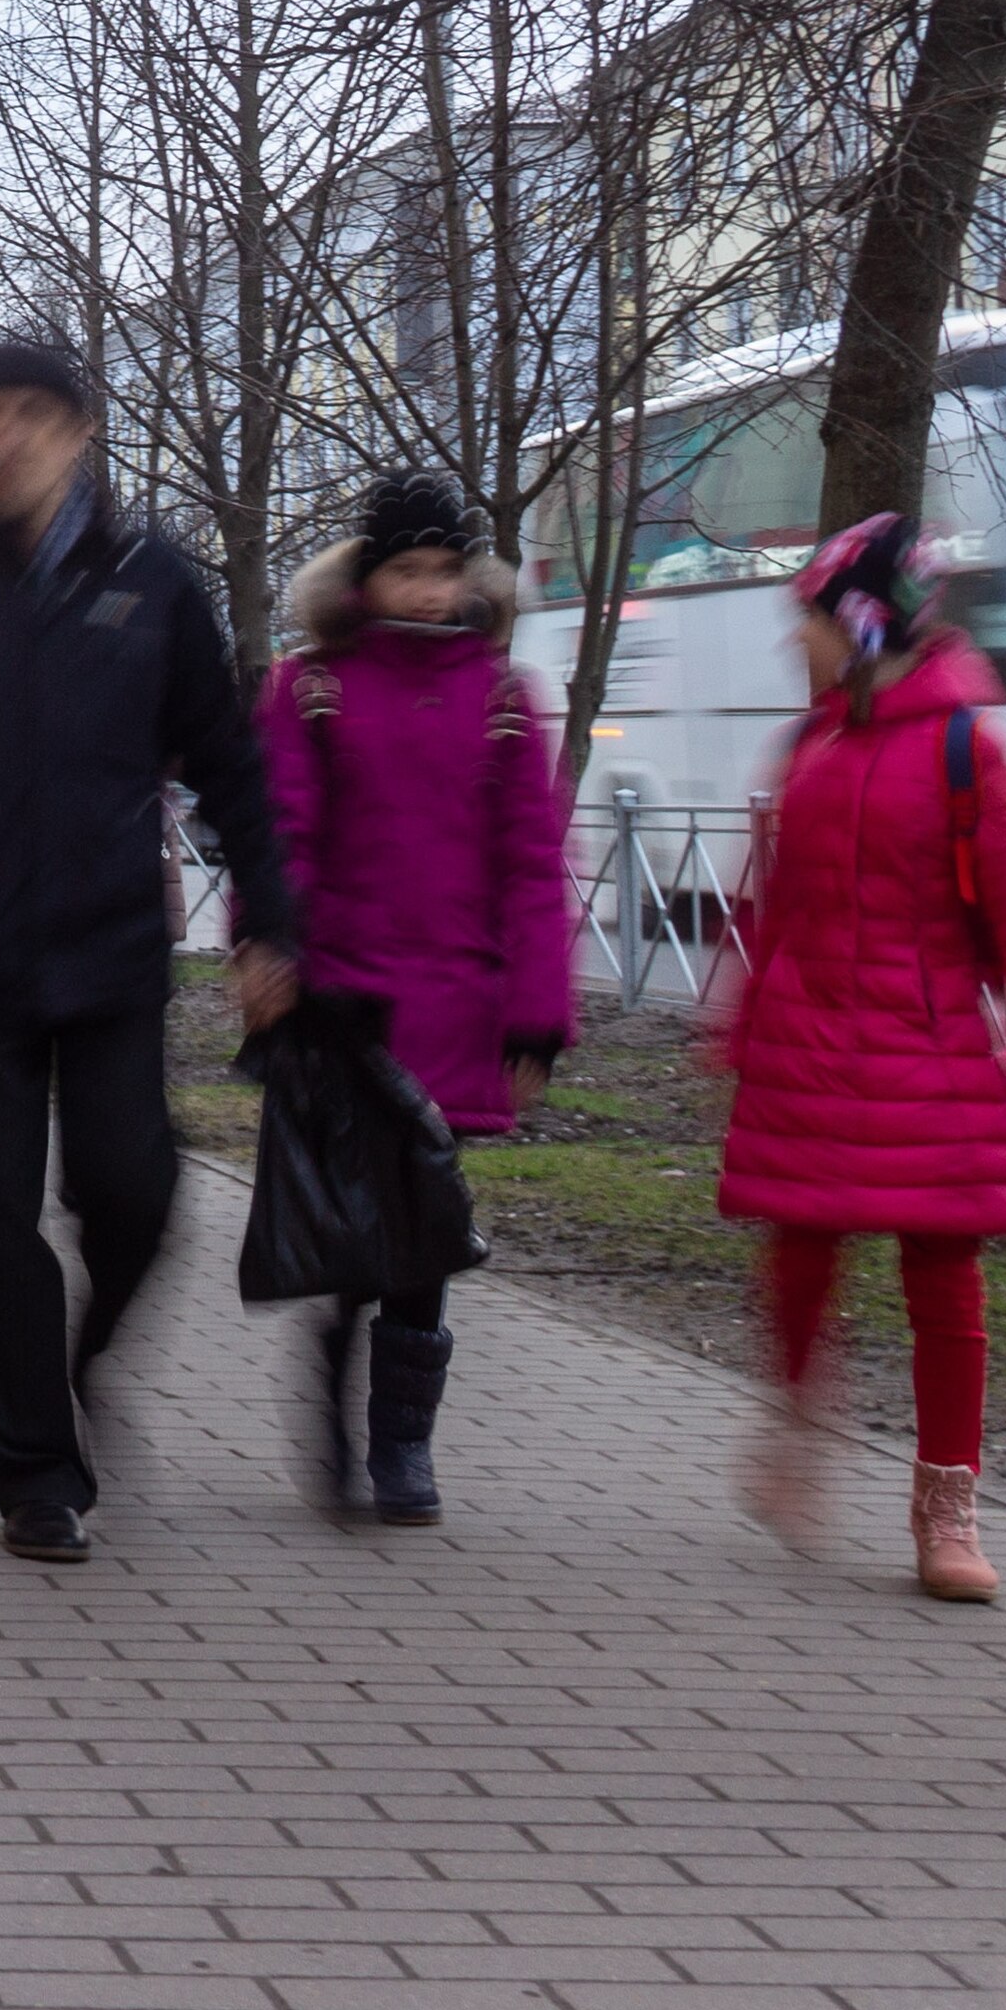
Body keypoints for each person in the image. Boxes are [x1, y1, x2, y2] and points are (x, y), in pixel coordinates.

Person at [0, 340, 294, 1563]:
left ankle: (83, 1363)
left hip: (109, 951)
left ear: (81, 432)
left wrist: (268, 920)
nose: (10, 437)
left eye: (36, 414)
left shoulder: (151, 581)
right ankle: (35, 1467)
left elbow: (226, 759)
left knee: (135, 1191)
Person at [707, 513, 1006, 1603]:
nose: (795, 641)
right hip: (804, 1048)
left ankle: (946, 1506)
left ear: (863, 625)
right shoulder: (807, 745)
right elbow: (770, 911)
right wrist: (739, 1036)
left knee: (944, 1275)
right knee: (800, 1246)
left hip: (927, 1051)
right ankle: (796, 1420)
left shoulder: (964, 749)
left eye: (808, 621)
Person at [248, 470, 572, 1525]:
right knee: (359, 1223)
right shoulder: (313, 689)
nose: (430, 591)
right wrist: (269, 948)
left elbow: (532, 865)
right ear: (366, 576)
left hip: (457, 997)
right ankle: (336, 1378)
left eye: (445, 570)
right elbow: (282, 831)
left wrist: (538, 1013)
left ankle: (401, 1444)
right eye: (408, 570)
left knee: (426, 1225)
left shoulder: (504, 701)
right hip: (347, 1000)